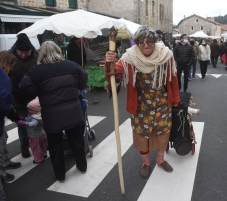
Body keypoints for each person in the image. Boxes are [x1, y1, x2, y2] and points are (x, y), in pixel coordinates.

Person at [105, 25, 180, 178]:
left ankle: (160, 160)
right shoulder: (130, 57)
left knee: (163, 132)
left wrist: (176, 99)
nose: (145, 45)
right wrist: (109, 63)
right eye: (141, 42)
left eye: (149, 42)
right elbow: (116, 72)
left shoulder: (166, 55)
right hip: (141, 104)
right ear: (137, 44)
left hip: (162, 103)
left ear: (154, 41)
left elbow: (173, 79)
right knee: (141, 134)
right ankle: (146, 162)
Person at [19, 41, 88, 183]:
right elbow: (83, 79)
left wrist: (37, 93)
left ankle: (60, 176)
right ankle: (82, 167)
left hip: (51, 115)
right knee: (77, 140)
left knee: (55, 146)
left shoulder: (36, 71)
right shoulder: (72, 65)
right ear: (58, 51)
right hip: (73, 112)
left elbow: (24, 87)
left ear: (41, 54)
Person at [9, 33, 38, 158]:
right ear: (17, 50)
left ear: (31, 49)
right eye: (20, 52)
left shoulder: (36, 56)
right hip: (17, 97)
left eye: (26, 52)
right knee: (22, 123)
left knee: (39, 121)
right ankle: (24, 147)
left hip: (34, 96)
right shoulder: (10, 57)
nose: (23, 54)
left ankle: (41, 142)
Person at [0, 51, 22, 187]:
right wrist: (13, 115)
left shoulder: (4, 76)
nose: (12, 69)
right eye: (12, 65)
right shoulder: (3, 77)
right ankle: (2, 173)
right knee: (0, 146)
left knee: (4, 138)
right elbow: (3, 102)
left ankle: (7, 162)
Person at [17, 97, 47, 164]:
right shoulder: (39, 116)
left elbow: (33, 123)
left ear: (36, 111)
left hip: (35, 137)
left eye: (30, 109)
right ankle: (44, 154)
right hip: (42, 135)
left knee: (36, 149)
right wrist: (25, 118)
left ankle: (38, 159)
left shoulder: (35, 118)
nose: (28, 110)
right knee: (43, 146)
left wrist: (25, 123)